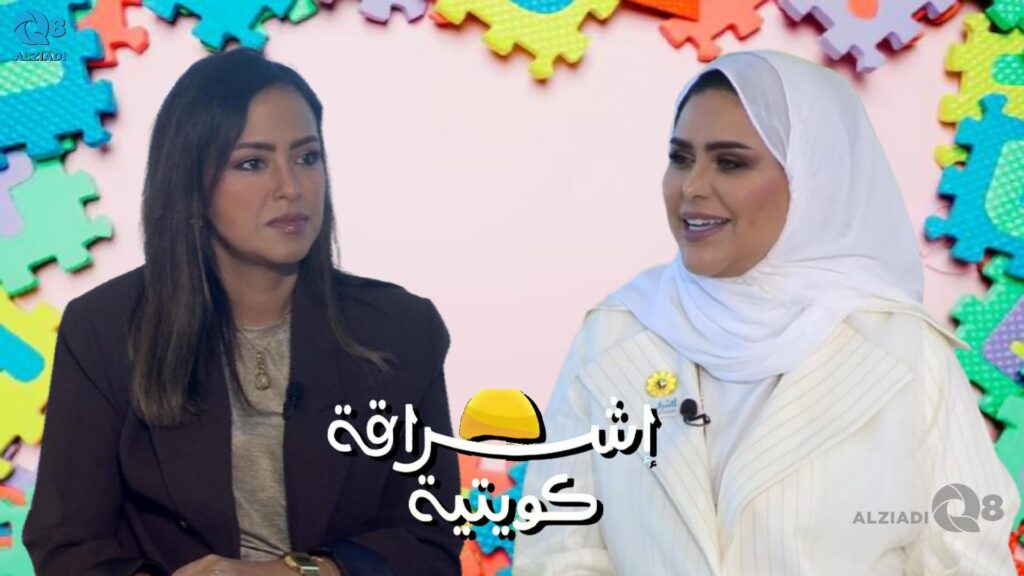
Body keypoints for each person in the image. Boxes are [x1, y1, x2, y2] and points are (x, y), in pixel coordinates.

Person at [512, 50, 1020, 575]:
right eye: (681, 157)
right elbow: (558, 553)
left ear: (811, 177)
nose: (692, 186)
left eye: (730, 162)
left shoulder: (906, 350)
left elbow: (968, 561)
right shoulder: (615, 331)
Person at [24, 48, 461, 576]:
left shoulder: (402, 329)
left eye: (307, 157)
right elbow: (67, 546)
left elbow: (430, 546)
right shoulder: (104, 329)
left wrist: (299, 573)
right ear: (190, 181)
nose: (290, 188)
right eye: (253, 163)